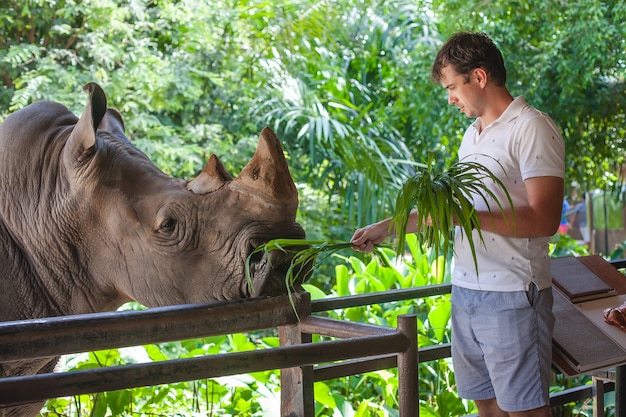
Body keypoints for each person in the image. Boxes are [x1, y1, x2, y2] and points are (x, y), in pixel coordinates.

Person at [351, 32, 565, 417]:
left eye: (452, 87)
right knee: (486, 404)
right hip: (466, 290)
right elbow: (454, 210)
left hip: (514, 294)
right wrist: (390, 226)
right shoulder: (473, 135)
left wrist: (461, 216)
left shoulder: (532, 127)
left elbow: (545, 219)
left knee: (525, 411)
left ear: (479, 77)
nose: (450, 98)